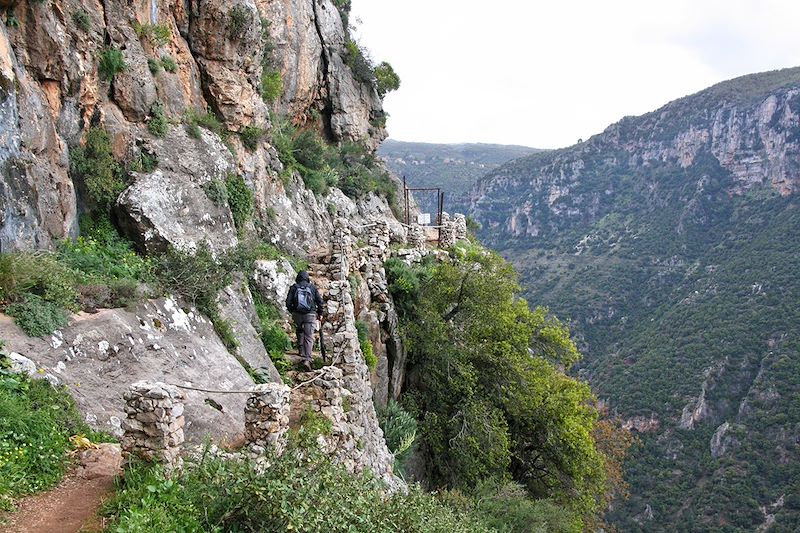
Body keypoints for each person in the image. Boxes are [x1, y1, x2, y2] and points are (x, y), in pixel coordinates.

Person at [285, 271, 325, 371]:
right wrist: (320, 313)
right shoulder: (312, 287)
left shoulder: (294, 287)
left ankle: (301, 350)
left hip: (297, 314)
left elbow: (288, 302)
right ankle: (307, 359)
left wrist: (292, 311)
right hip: (310, 315)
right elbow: (320, 302)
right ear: (307, 278)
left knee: (299, 330)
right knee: (309, 336)